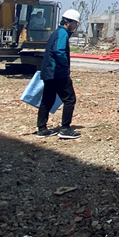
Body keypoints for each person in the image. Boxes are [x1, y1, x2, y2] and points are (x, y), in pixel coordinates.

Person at [36, 9, 81, 139]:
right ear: (68, 22)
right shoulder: (62, 33)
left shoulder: (56, 32)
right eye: (75, 23)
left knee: (47, 100)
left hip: (49, 73)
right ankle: (65, 129)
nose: (75, 26)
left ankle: (42, 129)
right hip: (58, 73)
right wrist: (64, 65)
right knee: (70, 99)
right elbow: (59, 51)